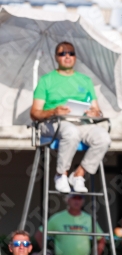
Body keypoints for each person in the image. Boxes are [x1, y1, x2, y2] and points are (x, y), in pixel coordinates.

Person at [30, 41, 110, 193]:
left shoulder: (85, 81)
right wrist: (54, 111)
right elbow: (35, 113)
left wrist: (95, 113)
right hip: (54, 122)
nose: (67, 56)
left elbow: (98, 111)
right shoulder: (46, 80)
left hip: (82, 121)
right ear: (56, 57)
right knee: (71, 132)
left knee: (103, 137)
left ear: (75, 57)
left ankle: (79, 174)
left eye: (71, 53)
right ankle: (61, 174)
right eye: (62, 53)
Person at [35, 192, 106, 255]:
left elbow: (101, 239)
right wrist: (47, 253)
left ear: (83, 201)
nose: (77, 201)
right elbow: (39, 235)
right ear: (68, 200)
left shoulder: (89, 219)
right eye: (74, 198)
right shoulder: (57, 218)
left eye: (79, 198)